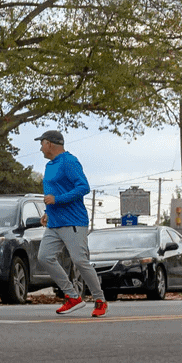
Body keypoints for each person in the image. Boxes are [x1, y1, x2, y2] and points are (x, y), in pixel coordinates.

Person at [35, 130, 107, 317]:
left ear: (50, 144)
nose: (40, 148)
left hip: (73, 221)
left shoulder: (69, 161)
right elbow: (52, 192)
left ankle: (100, 300)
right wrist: (47, 212)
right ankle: (72, 296)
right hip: (54, 222)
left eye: (42, 143)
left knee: (80, 261)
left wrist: (57, 200)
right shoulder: (49, 165)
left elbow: (83, 187)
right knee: (44, 257)